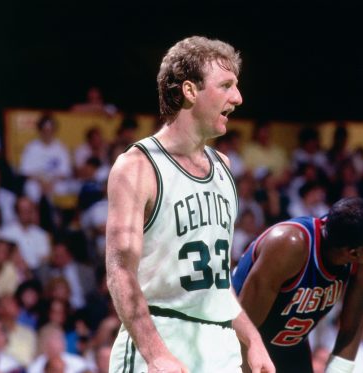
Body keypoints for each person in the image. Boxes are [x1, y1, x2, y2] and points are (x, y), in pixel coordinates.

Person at [105, 36, 274, 373]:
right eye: (226, 85)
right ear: (190, 91)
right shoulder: (138, 166)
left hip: (219, 343)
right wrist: (156, 354)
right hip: (161, 334)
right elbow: (120, 272)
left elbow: (217, 278)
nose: (237, 98)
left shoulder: (224, 167)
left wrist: (252, 340)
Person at [232, 197, 363, 373]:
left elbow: (353, 325)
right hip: (241, 338)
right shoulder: (290, 244)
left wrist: (337, 369)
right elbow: (244, 328)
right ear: (353, 253)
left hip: (291, 345)